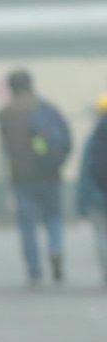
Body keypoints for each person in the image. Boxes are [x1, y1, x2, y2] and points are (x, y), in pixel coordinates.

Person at [0, 69, 73, 286]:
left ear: (11, 87)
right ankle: (55, 249)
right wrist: (58, 162)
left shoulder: (6, 114)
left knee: (27, 226)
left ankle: (34, 271)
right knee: (54, 219)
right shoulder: (47, 109)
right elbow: (66, 139)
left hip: (22, 178)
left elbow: (6, 148)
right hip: (50, 176)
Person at [78, 92, 107, 286]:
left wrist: (81, 202)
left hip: (98, 196)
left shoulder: (95, 138)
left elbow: (86, 172)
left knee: (102, 236)